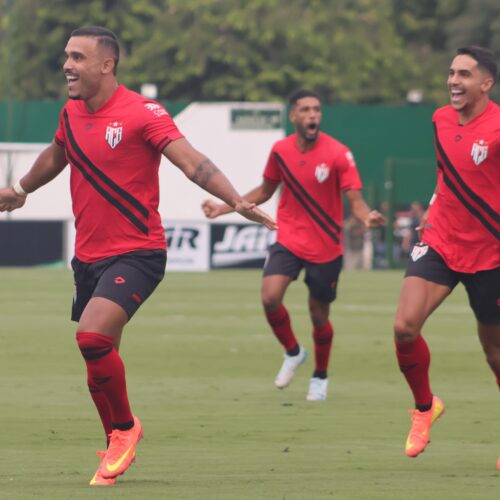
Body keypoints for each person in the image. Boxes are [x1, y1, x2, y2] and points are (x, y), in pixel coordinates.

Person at [0, 26, 276, 486]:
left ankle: (126, 430)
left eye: (78, 57)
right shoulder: (71, 113)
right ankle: (114, 443)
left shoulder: (142, 112)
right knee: (98, 364)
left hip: (138, 252)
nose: (67, 65)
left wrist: (235, 200)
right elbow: (57, 153)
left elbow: (193, 162)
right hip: (88, 257)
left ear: (106, 65)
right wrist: (20, 189)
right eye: (67, 55)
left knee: (91, 337)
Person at [202, 89, 385, 401]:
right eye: (306, 109)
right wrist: (223, 207)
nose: (313, 114)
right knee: (270, 297)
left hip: (326, 247)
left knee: (319, 316)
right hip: (288, 238)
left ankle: (320, 376)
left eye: (317, 109)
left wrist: (367, 217)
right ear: (293, 116)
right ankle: (293, 351)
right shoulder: (280, 150)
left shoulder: (339, 153)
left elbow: (356, 201)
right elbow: (265, 190)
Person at [393, 46, 500, 464]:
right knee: (404, 327)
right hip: (441, 240)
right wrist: (435, 204)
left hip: (490, 252)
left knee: (494, 354)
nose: (454, 80)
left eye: (464, 74)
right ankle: (425, 408)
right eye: (451, 72)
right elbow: (447, 173)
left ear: (486, 84)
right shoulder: (440, 118)